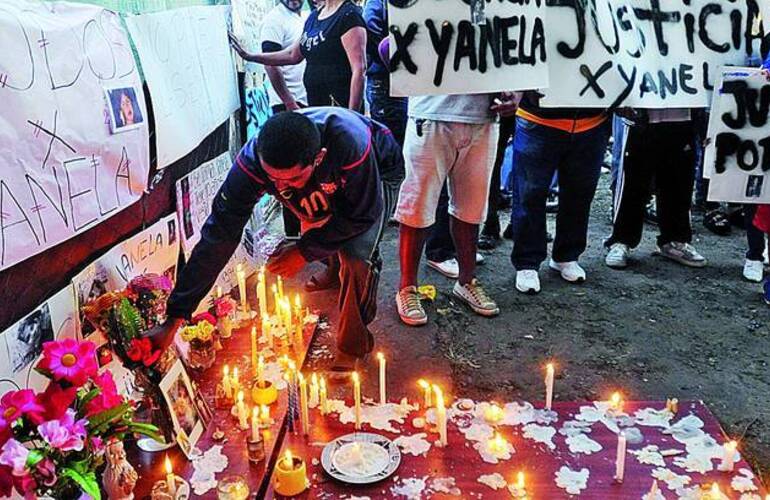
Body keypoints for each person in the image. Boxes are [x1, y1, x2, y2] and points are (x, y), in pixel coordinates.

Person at [146, 109, 403, 373]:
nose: (280, 188)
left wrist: (303, 251)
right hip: (325, 178)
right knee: (311, 210)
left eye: (292, 178)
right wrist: (175, 316)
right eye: (273, 179)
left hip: (379, 169)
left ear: (319, 159)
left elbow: (362, 215)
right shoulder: (253, 162)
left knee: (356, 255)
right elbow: (220, 232)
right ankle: (333, 269)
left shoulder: (350, 145)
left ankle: (353, 345)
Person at [394, 93, 520, 325]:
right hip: (431, 113)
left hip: (483, 117)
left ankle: (466, 281)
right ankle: (407, 287)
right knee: (417, 203)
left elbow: (518, 59)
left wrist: (517, 93)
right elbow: (390, 57)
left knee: (472, 206)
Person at [511, 92, 609, 294]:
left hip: (592, 120)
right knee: (529, 194)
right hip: (538, 118)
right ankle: (527, 262)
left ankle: (567, 255)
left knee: (580, 192)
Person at [604, 109, 706, 269]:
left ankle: (676, 240)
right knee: (632, 180)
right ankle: (621, 240)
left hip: (683, 115)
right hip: (640, 117)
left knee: (680, 180)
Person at [231, 0, 367, 111]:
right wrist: (250, 56)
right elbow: (292, 55)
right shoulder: (314, 17)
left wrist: (352, 116)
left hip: (339, 107)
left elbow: (359, 69)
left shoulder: (349, 15)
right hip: (315, 107)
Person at [363, 0, 407, 146]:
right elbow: (370, 24)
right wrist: (394, 59)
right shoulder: (377, 3)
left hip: (391, 78)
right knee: (394, 144)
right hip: (386, 80)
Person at [260, 0, 308, 113]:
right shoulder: (274, 20)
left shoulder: (304, 17)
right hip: (287, 104)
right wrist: (289, 103)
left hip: (304, 100)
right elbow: (270, 64)